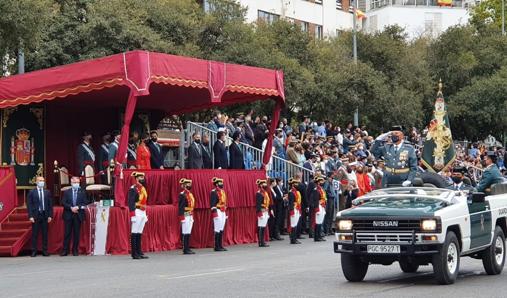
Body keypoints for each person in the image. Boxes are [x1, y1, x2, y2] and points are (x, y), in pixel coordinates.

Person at [26, 176, 53, 257]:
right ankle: (34, 251)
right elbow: (29, 205)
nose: (42, 182)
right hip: (36, 215)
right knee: (35, 234)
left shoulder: (47, 192)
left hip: (45, 215)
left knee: (45, 234)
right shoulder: (31, 192)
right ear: (36, 182)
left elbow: (50, 205)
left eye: (43, 180)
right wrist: (30, 216)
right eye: (40, 180)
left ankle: (45, 250)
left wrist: (50, 216)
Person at [61, 177, 87, 256]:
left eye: (78, 182)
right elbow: (63, 202)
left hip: (78, 215)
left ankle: (75, 250)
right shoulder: (66, 192)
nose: (77, 184)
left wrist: (78, 207)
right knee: (67, 233)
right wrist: (71, 208)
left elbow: (85, 202)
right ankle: (65, 250)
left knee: (76, 234)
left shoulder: (82, 192)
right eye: (75, 182)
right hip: (68, 214)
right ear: (71, 183)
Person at [128, 172, 149, 260]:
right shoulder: (133, 189)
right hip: (136, 210)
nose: (142, 178)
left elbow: (144, 200)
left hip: (142, 211)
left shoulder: (143, 188)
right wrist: (132, 215)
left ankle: (139, 251)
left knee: (139, 232)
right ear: (136, 178)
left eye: (143, 177)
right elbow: (131, 202)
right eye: (140, 177)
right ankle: (134, 253)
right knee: (134, 232)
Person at [178, 178, 196, 255]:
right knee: (185, 231)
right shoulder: (182, 194)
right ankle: (185, 248)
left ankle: (187, 247)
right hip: (185, 214)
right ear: (185, 185)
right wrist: (182, 217)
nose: (190, 185)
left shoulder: (190, 194)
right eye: (188, 184)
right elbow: (181, 207)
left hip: (190, 213)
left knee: (188, 231)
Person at [210, 177, 227, 252]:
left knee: (221, 228)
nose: (222, 184)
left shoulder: (222, 191)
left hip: (223, 211)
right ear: (216, 184)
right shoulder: (213, 192)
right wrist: (215, 214)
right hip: (217, 210)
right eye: (220, 183)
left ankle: (220, 245)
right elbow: (212, 204)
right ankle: (216, 246)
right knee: (217, 228)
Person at [311, 176, 327, 242]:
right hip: (318, 206)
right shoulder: (316, 190)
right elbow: (315, 200)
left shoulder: (321, 189)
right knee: (317, 222)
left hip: (322, 206)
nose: (322, 182)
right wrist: (316, 209)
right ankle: (316, 237)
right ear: (318, 182)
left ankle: (319, 236)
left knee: (320, 222)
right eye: (321, 181)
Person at [256, 179, 270, 247]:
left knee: (263, 226)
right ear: (261, 185)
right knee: (261, 227)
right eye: (264, 184)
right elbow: (258, 205)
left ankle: (262, 241)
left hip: (265, 211)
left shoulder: (265, 193)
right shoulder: (259, 193)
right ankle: (260, 242)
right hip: (261, 211)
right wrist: (259, 213)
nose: (265, 185)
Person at [287, 178, 302, 245]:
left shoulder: (296, 192)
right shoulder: (291, 192)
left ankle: (294, 238)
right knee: (293, 225)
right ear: (293, 184)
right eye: (296, 183)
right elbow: (291, 203)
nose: (297, 184)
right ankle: (293, 239)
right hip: (293, 209)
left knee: (295, 224)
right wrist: (292, 211)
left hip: (297, 208)